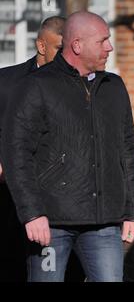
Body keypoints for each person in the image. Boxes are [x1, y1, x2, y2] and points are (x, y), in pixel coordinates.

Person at [1, 11, 134, 282]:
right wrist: (32, 213)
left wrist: (133, 213)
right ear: (77, 45)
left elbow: (128, 152)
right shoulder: (36, 86)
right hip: (50, 224)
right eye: (103, 41)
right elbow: (16, 151)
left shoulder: (114, 87)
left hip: (103, 223)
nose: (109, 47)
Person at [0, 15, 65, 282]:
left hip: (60, 195)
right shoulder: (6, 81)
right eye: (60, 49)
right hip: (10, 190)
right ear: (41, 46)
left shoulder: (82, 84)